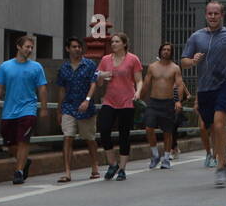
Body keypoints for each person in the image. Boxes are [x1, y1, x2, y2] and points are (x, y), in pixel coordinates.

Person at [182, 1, 226, 188]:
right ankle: (225, 160)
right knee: (211, 127)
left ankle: (221, 166)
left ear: (222, 15)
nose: (212, 16)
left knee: (219, 122)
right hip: (205, 88)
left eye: (216, 13)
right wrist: (192, 61)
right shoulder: (196, 37)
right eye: (209, 14)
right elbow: (184, 61)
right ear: (205, 15)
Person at [0, 34, 48, 184]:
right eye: (27, 47)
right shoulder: (5, 66)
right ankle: (24, 161)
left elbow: (42, 88)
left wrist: (43, 107)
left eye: (31, 47)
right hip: (9, 110)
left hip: (28, 109)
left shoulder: (36, 67)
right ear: (18, 47)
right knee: (9, 142)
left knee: (23, 140)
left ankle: (19, 171)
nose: (29, 50)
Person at [91, 33, 143, 181]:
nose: (113, 44)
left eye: (117, 41)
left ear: (124, 44)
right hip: (109, 100)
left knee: (124, 134)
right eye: (112, 41)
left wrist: (138, 92)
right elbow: (99, 81)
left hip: (127, 100)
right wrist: (101, 76)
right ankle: (112, 163)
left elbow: (139, 80)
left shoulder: (133, 59)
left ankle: (122, 168)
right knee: (104, 129)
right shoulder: (105, 59)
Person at [55, 36, 100, 182]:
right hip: (68, 106)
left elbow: (93, 84)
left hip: (85, 107)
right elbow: (61, 90)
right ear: (68, 49)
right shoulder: (64, 68)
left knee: (89, 138)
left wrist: (87, 100)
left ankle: (95, 166)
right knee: (68, 137)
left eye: (79, 47)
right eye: (74, 47)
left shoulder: (89, 64)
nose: (77, 49)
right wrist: (59, 110)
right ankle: (67, 172)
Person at [140, 42, 185, 169]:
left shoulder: (175, 68)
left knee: (167, 131)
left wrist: (177, 101)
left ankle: (166, 158)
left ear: (171, 52)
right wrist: (140, 96)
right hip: (154, 102)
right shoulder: (152, 67)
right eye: (164, 49)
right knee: (149, 128)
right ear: (160, 51)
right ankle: (155, 154)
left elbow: (179, 85)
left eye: (168, 50)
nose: (166, 52)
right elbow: (146, 84)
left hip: (168, 102)